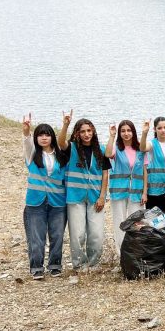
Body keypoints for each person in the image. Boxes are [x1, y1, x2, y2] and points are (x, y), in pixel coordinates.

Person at [58, 110, 110, 271]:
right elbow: (60, 142)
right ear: (77, 134)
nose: (86, 134)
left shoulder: (101, 150)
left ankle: (93, 263)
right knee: (78, 233)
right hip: (75, 197)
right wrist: (66, 124)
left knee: (96, 234)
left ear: (93, 131)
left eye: (89, 131)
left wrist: (102, 197)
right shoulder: (71, 148)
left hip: (95, 198)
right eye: (82, 131)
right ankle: (79, 264)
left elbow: (105, 174)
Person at [22, 114, 69, 280]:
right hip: (36, 202)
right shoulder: (32, 154)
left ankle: (55, 265)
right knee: (36, 237)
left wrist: (65, 125)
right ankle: (36, 267)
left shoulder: (61, 156)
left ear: (52, 137)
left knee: (57, 236)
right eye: (40, 135)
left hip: (58, 202)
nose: (43, 137)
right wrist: (27, 129)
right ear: (36, 138)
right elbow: (27, 141)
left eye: (47, 134)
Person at [105, 120, 146, 256]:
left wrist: (145, 192)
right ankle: (121, 254)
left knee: (136, 222)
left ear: (133, 132)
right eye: (123, 131)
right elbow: (107, 154)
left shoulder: (140, 148)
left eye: (129, 130)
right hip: (119, 191)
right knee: (120, 222)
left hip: (137, 192)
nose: (126, 133)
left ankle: (135, 252)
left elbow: (145, 171)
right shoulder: (116, 147)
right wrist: (111, 135)